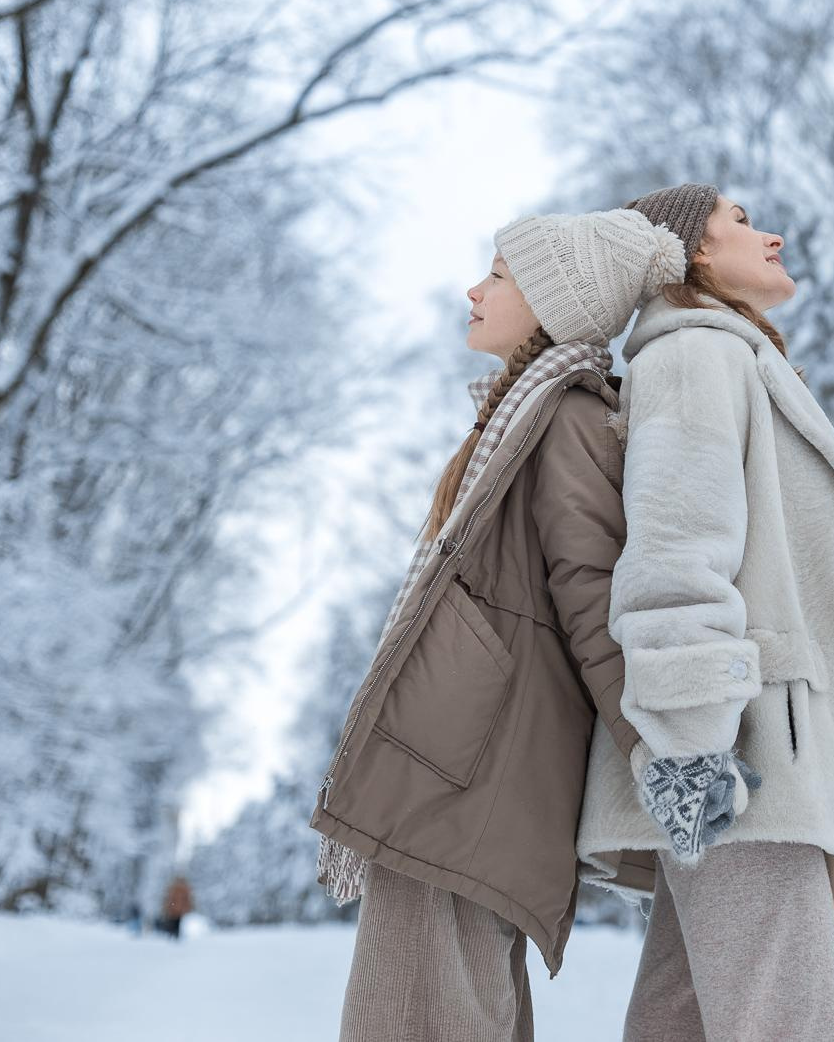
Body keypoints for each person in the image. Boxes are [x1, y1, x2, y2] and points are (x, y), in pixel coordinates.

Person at [309, 207, 688, 1042]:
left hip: (470, 777)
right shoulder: (521, 415)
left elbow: (598, 602)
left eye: (502, 275)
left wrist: (667, 756)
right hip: (455, 771)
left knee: (419, 1018)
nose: (475, 290)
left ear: (557, 304)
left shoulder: (567, 418)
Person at [577, 183, 834, 1040]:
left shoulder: (732, 357)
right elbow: (676, 556)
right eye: (743, 220)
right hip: (733, 761)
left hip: (744, 754)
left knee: (678, 1022)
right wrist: (691, 752)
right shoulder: (693, 357)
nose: (775, 234)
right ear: (695, 253)